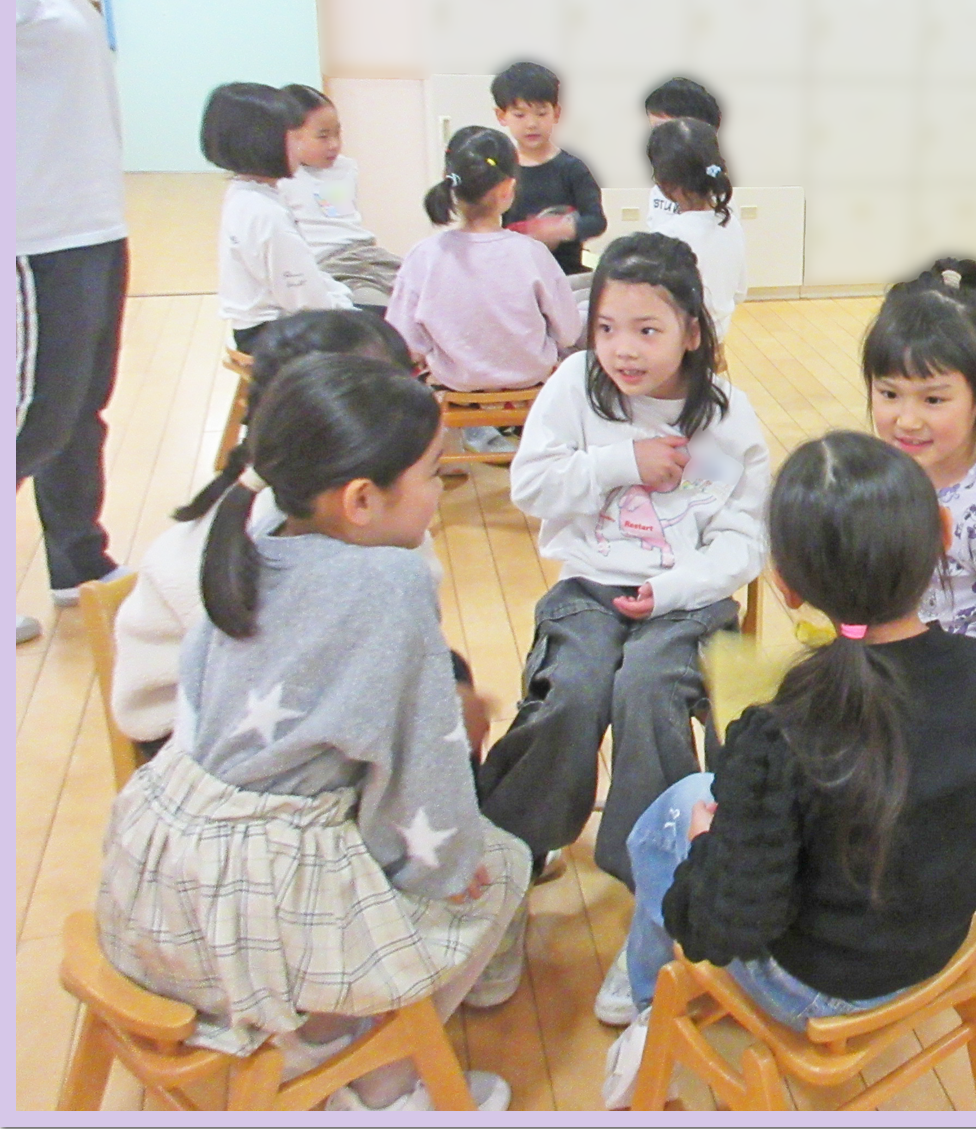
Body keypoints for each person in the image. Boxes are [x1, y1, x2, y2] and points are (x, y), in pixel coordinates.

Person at [95, 354, 529, 1111]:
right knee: (499, 865)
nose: (438, 492)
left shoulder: (248, 538)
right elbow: (420, 775)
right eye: (433, 475)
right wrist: (448, 867)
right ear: (361, 499)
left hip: (154, 870)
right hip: (263, 904)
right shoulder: (389, 583)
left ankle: (325, 1041)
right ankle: (380, 1082)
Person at [599, 432, 976, 1110]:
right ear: (942, 534)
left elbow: (723, 925)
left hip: (821, 987)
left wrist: (707, 849)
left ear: (787, 587)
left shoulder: (778, 733)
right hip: (943, 934)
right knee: (704, 809)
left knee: (672, 818)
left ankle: (651, 1002)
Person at [479, 232, 769, 1025]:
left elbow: (745, 540)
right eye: (606, 327)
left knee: (647, 690)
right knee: (571, 692)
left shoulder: (726, 416)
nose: (623, 349)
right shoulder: (574, 387)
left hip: (688, 599)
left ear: (692, 331)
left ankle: (657, 900)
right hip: (586, 587)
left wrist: (672, 587)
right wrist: (622, 463)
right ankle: (512, 865)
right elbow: (530, 487)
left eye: (647, 329)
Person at [111, 311, 490, 763]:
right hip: (200, 736)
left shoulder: (360, 504)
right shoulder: (245, 541)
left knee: (443, 683)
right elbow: (271, 689)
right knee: (435, 717)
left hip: (287, 695)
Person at [16, 0, 128, 640]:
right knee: (34, 416)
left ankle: (77, 561)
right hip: (34, 231)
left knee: (78, 406)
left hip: (88, 219)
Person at [863, 259, 976, 664]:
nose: (907, 421)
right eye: (889, 394)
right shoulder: (892, 467)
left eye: (933, 399)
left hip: (952, 686)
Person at [387, 126, 581, 454]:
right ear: (508, 188)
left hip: (456, 381)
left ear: (449, 184)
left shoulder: (425, 255)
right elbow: (568, 332)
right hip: (528, 376)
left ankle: (458, 448)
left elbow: (405, 340)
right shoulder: (531, 252)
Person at [206, 83, 357, 356]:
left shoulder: (246, 193)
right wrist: (346, 307)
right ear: (263, 144)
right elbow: (306, 302)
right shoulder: (266, 213)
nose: (300, 148)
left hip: (266, 326)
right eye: (294, 138)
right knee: (391, 332)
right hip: (274, 333)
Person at [275, 85, 401, 311]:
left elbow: (340, 219)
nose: (334, 144)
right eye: (323, 137)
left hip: (367, 254)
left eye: (337, 133)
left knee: (427, 290)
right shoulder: (280, 180)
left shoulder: (345, 168)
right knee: (383, 311)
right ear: (289, 137)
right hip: (328, 266)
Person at [492, 59, 606, 295]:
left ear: (557, 113)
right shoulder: (499, 170)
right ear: (501, 116)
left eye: (541, 113)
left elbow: (596, 220)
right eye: (519, 115)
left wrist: (563, 229)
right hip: (512, 279)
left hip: (565, 278)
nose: (532, 124)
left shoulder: (572, 168)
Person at [644, 117, 749, 342]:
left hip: (680, 343)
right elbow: (740, 293)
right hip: (717, 336)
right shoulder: (731, 222)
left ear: (663, 181)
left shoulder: (667, 237)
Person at [642, 75, 724, 227]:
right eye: (654, 131)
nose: (657, 141)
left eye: (664, 130)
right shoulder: (661, 188)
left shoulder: (712, 192)